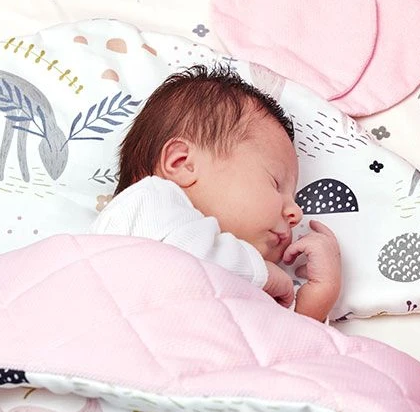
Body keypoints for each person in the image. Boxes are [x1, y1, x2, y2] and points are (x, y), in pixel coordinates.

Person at [90, 65, 341, 322]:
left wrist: (316, 303)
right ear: (182, 163)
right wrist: (261, 273)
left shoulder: (252, 287)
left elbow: (276, 342)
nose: (296, 213)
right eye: (276, 183)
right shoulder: (143, 206)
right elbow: (180, 258)